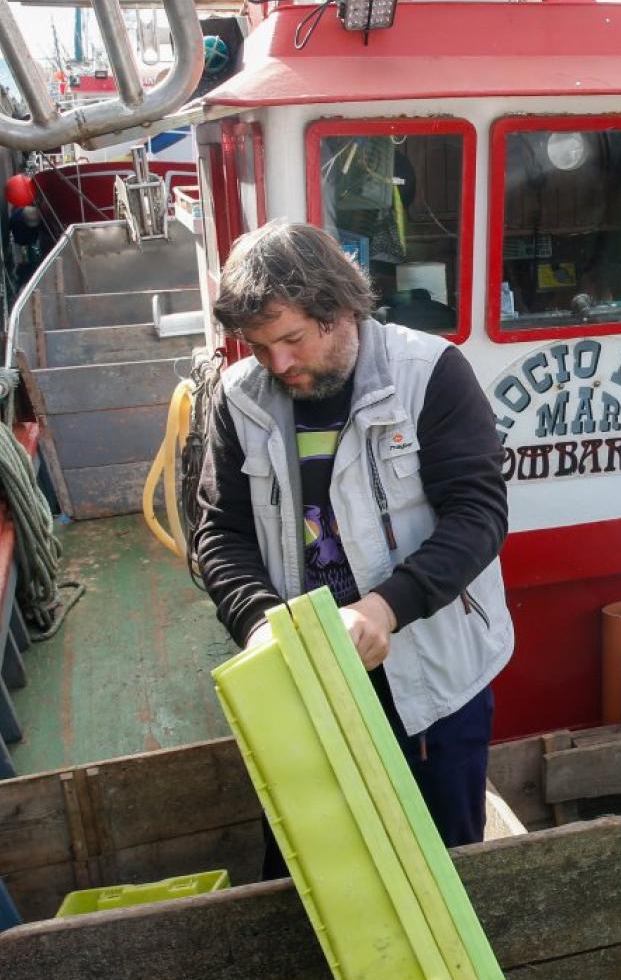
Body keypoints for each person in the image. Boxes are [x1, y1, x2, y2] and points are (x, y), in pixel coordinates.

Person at [193, 220, 513, 854]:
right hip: (304, 676)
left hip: (430, 676)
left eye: (290, 340)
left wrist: (383, 609)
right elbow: (220, 534)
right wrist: (264, 626)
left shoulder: (431, 373)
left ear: (339, 310)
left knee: (446, 856)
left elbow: (478, 516)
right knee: (318, 862)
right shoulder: (238, 399)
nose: (277, 364)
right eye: (259, 348)